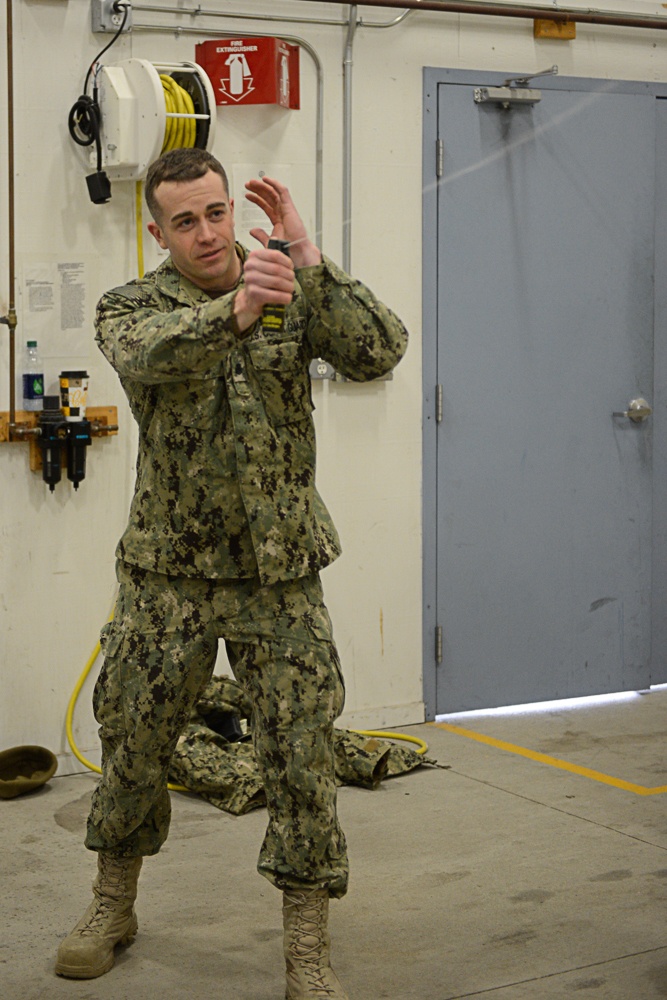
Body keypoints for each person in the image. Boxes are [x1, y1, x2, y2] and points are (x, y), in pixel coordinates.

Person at [55, 147, 408, 999]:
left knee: (299, 756)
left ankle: (306, 949)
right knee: (132, 738)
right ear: (158, 232)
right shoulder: (131, 307)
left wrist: (312, 261)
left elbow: (378, 351)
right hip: (166, 572)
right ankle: (112, 904)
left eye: (217, 212)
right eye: (186, 221)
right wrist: (240, 312)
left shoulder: (287, 281)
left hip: (279, 571)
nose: (208, 233)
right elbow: (151, 358)